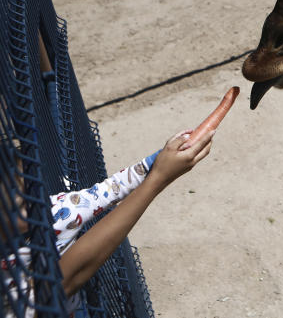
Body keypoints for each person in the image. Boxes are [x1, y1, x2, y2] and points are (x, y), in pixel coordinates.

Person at [2, 128, 214, 316]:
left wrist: (166, 155)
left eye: (35, 190)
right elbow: (55, 287)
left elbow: (111, 189)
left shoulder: (58, 212)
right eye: (20, 207)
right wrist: (159, 177)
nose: (36, 205)